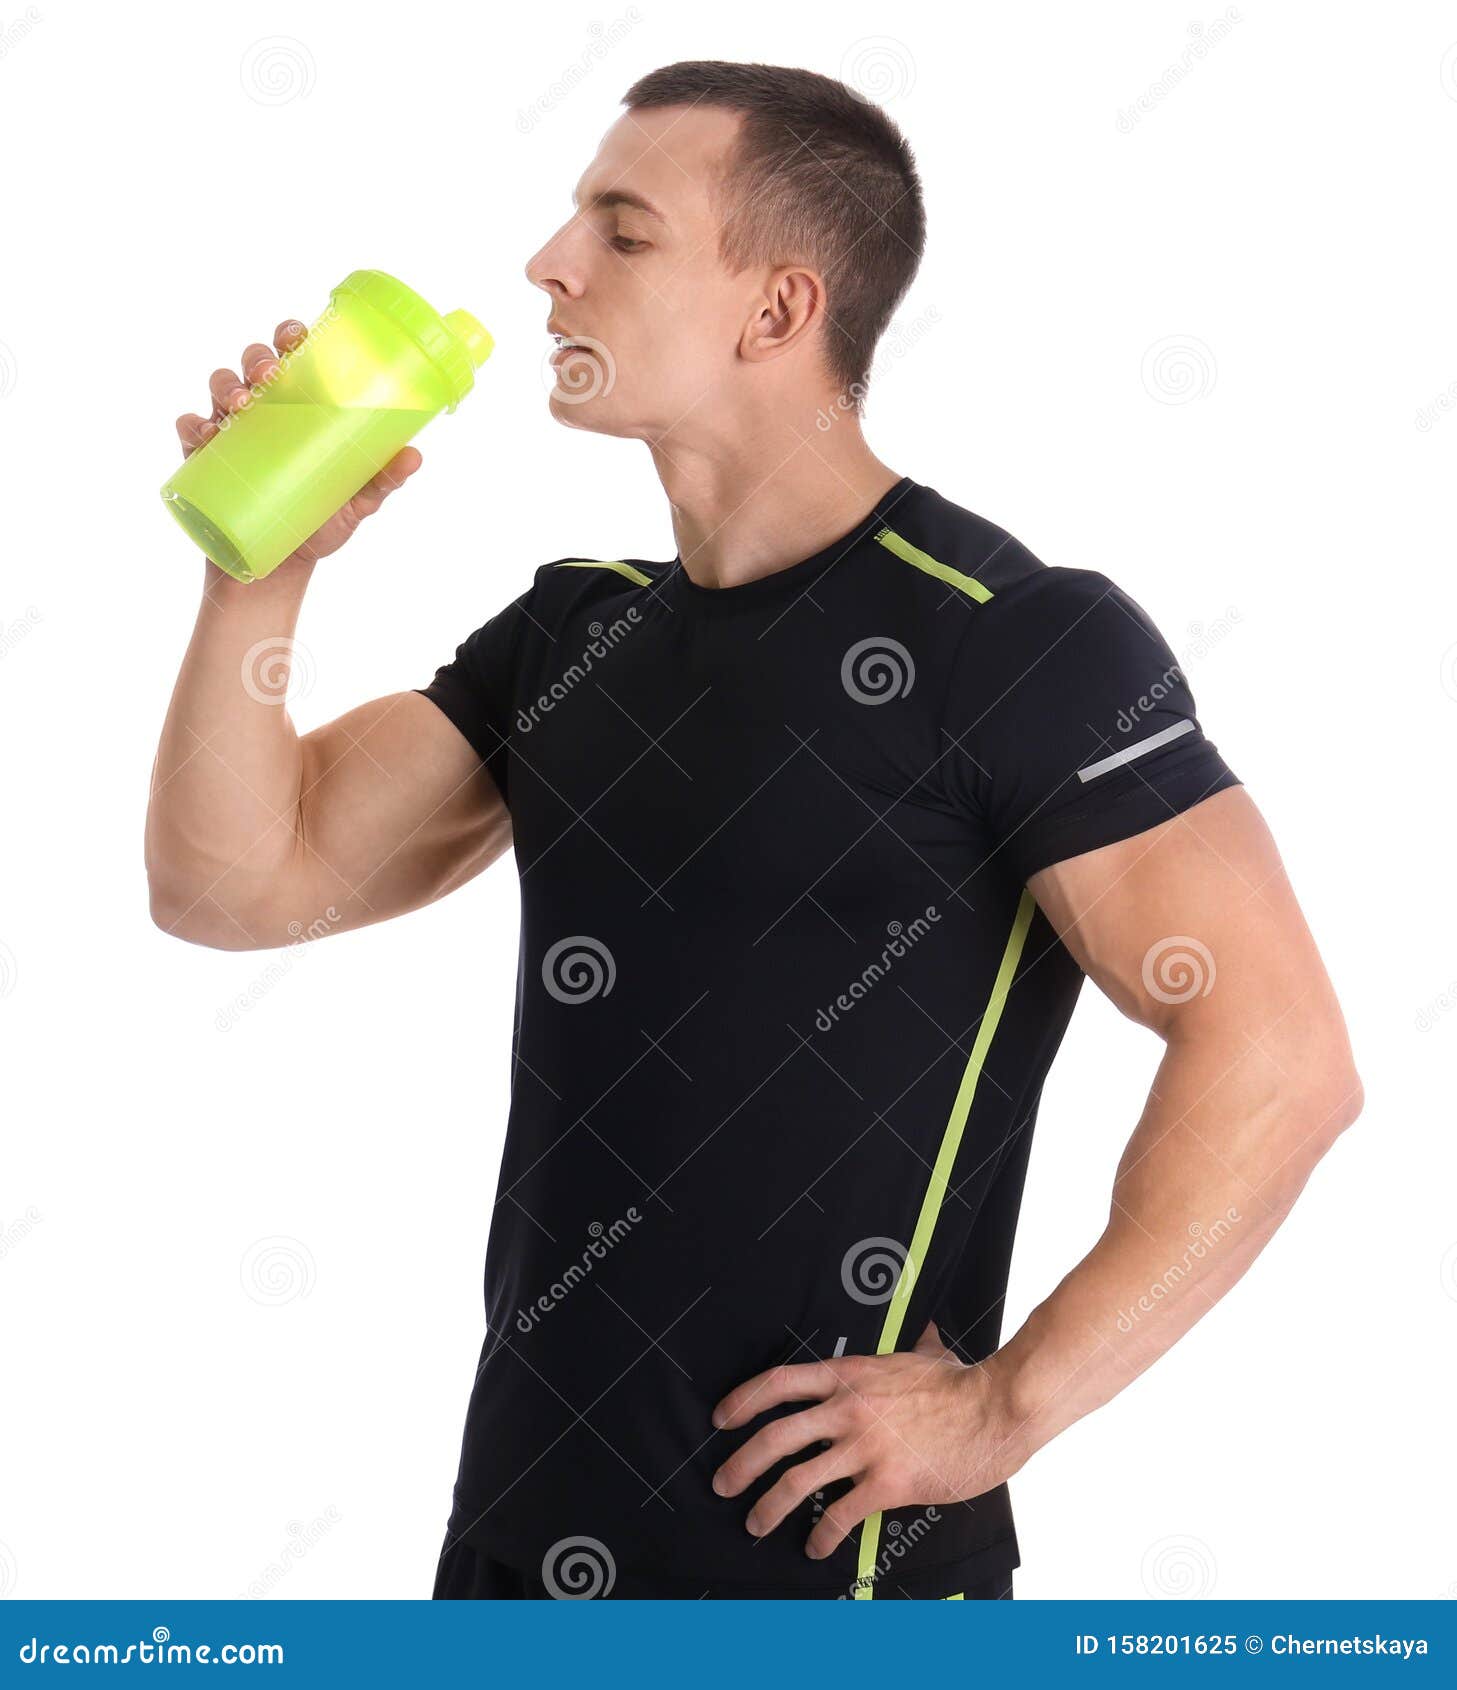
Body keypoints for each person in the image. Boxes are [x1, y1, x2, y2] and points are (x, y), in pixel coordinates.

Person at [146, 60, 1363, 1602]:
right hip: (512, 1552)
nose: (548, 263)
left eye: (622, 229)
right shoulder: (571, 635)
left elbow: (1282, 1054)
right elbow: (234, 883)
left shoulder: (1013, 641)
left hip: (834, 1581)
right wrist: (257, 570)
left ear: (777, 313)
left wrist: (1005, 1406)